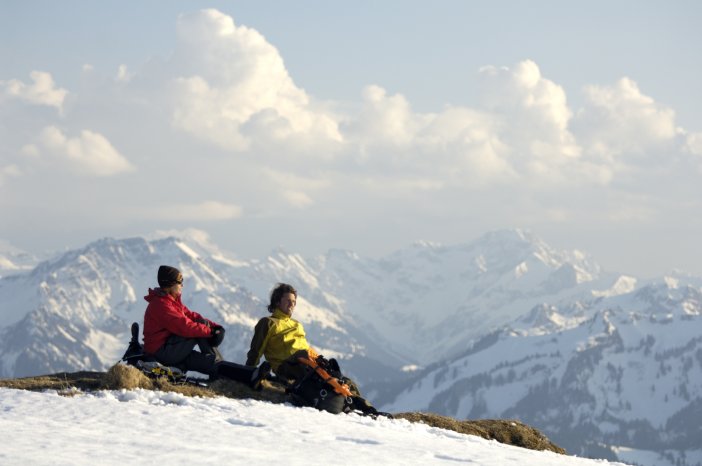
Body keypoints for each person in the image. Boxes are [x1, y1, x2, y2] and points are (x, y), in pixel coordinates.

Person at [246, 283, 377, 413]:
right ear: (277, 302)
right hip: (288, 364)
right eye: (288, 301)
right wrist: (248, 371)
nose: (292, 304)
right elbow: (256, 350)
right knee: (320, 377)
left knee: (344, 381)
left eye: (294, 302)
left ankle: (367, 409)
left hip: (309, 361)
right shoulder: (268, 322)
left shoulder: (297, 324)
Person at [143, 265, 269, 388]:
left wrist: (216, 328)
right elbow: (186, 327)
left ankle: (252, 375)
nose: (182, 285)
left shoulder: (170, 301)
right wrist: (210, 332)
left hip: (173, 349)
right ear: (170, 284)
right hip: (162, 352)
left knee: (208, 362)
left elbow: (192, 316)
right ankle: (225, 371)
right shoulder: (161, 305)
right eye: (180, 281)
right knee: (199, 329)